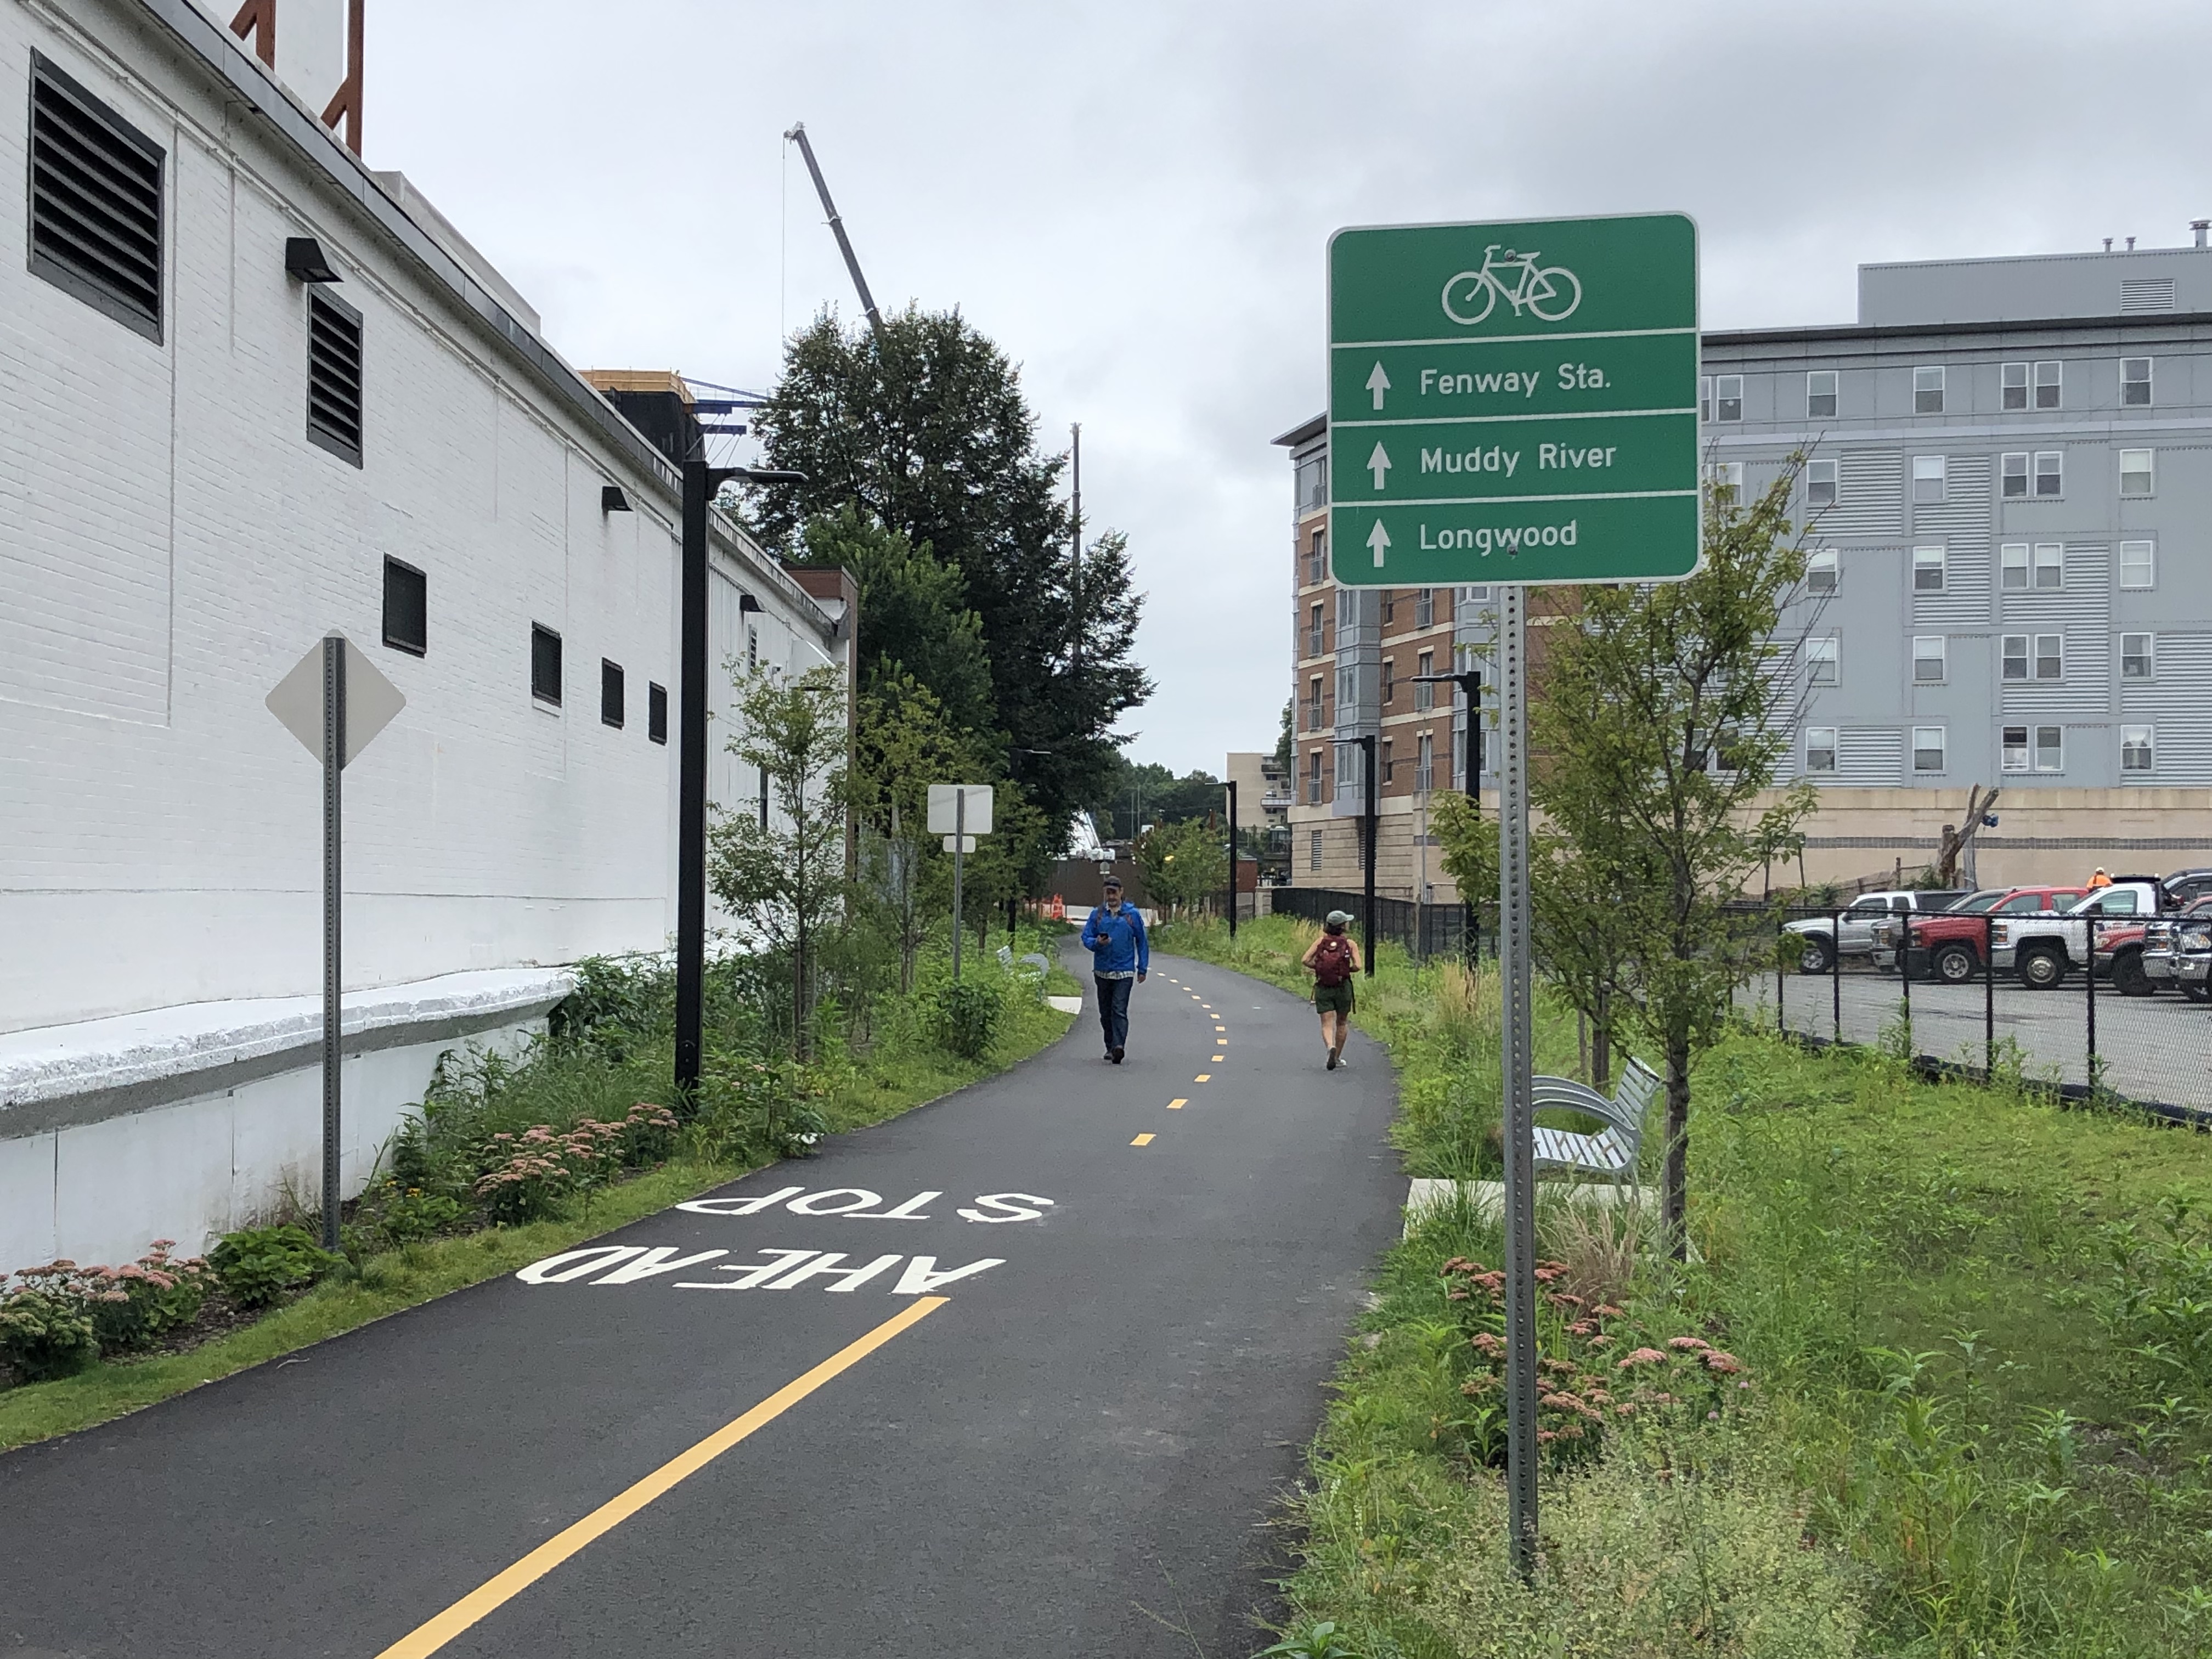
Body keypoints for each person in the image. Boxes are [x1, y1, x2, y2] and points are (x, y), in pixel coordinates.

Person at [1081, 876, 1148, 1064]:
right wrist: (1097, 943)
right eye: (1108, 893)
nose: (1111, 897)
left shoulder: (1131, 915)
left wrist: (1142, 967)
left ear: (1121, 892)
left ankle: (1119, 1046)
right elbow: (1086, 938)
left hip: (1124, 971)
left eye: (1114, 892)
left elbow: (1142, 941)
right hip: (1102, 970)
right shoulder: (1098, 915)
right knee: (1105, 1012)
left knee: (1119, 1009)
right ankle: (1110, 1046)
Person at [1301, 910, 1363, 1069]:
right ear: (1342, 926)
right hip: (1343, 987)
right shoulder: (1350, 944)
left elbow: (1305, 960)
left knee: (1327, 1023)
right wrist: (1346, 971)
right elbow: (1358, 966)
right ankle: (1337, 1058)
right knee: (1342, 1022)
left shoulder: (1320, 942)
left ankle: (1330, 1047)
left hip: (1323, 986)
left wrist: (1320, 969)